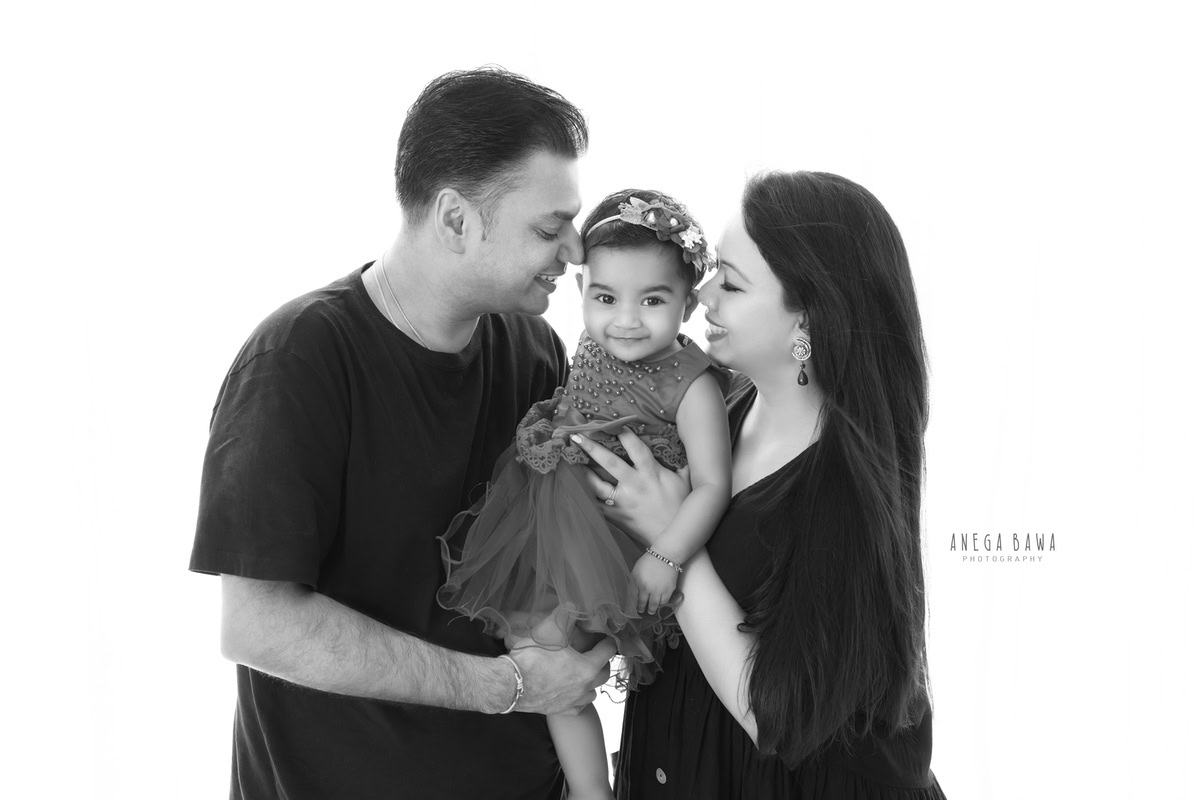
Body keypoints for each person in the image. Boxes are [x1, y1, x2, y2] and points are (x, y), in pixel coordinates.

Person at [188, 68, 617, 800]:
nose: (576, 252)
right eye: (549, 228)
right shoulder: (298, 361)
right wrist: (503, 686)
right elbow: (257, 624)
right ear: (455, 220)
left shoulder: (535, 349)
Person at [572, 171, 948, 798]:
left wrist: (674, 546)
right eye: (715, 269)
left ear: (809, 319)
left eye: (734, 284)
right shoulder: (721, 407)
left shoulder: (846, 484)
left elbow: (777, 715)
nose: (705, 294)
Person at [438, 190, 731, 799]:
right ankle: (588, 789)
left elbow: (712, 486)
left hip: (619, 535)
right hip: (549, 516)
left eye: (652, 300)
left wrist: (666, 554)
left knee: (555, 648)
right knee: (533, 646)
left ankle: (593, 790)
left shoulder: (693, 384)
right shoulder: (592, 343)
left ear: (687, 301)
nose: (625, 319)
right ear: (582, 294)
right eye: (605, 298)